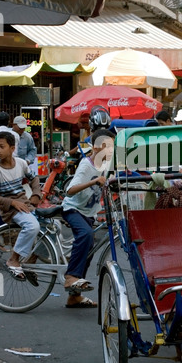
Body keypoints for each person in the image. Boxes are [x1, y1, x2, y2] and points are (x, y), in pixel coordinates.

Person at [61, 128, 115, 308]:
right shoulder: (86, 165)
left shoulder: (106, 166)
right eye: (107, 147)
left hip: (88, 213)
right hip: (73, 209)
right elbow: (69, 191)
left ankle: (74, 296)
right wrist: (93, 181)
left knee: (88, 250)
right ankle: (70, 277)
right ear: (96, 148)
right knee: (85, 235)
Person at [0, 131, 41, 280]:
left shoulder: (21, 163)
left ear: (12, 148)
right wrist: (12, 202)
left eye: (1, 146)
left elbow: (34, 178)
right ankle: (13, 259)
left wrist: (36, 194)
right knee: (33, 226)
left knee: (53, 227)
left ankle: (31, 261)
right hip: (10, 209)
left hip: (25, 204)